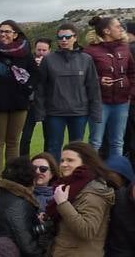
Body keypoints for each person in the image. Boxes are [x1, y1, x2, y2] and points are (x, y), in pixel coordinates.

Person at [0, 20, 40, 175]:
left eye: (7, 31)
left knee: (14, 142)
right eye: (1, 31)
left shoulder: (25, 52)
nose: (3, 34)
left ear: (15, 34)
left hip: (19, 102)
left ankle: (11, 178)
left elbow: (34, 73)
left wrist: (27, 89)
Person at [40, 23, 101, 159]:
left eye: (68, 37)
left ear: (75, 38)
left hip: (79, 112)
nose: (64, 40)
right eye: (60, 37)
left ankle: (76, 177)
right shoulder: (48, 60)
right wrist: (40, 112)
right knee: (54, 146)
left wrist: (96, 113)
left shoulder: (86, 59)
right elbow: (41, 88)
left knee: (76, 149)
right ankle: (54, 177)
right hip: (55, 112)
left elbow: (93, 88)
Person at [84, 15, 134, 157]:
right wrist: (99, 80)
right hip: (100, 103)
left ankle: (116, 176)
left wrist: (130, 90)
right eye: (117, 26)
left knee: (118, 142)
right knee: (95, 142)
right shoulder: (90, 51)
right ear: (107, 31)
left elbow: (132, 71)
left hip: (122, 102)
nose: (121, 29)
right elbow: (84, 76)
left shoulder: (125, 48)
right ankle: (91, 175)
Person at [18, 38, 52, 157]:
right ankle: (24, 162)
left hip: (48, 104)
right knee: (26, 136)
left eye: (44, 50)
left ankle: (48, 162)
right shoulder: (28, 61)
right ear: (34, 49)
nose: (41, 52)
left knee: (49, 137)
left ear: (49, 50)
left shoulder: (53, 63)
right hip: (30, 103)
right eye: (39, 49)